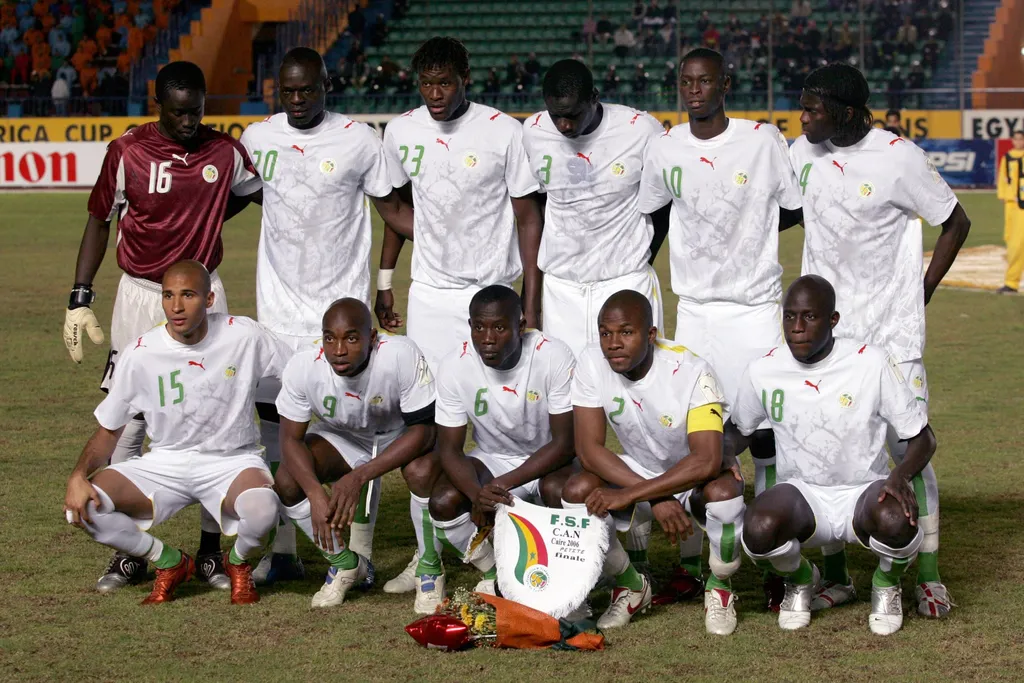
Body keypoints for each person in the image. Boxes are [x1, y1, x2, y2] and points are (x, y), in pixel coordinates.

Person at [63, 61, 262, 594]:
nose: (190, 122)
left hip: (205, 290)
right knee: (128, 422)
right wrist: (79, 295)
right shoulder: (127, 151)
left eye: (196, 111)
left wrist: (209, 212)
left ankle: (212, 554)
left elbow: (251, 192)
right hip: (141, 293)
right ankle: (131, 554)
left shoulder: (226, 151)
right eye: (178, 114)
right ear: (158, 106)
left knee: (217, 414)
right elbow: (98, 220)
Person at [790, 62, 970, 618]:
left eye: (813, 110)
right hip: (828, 334)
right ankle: (839, 574)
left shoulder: (899, 157)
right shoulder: (803, 154)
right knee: (831, 449)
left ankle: (930, 575)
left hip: (890, 332)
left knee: (907, 451)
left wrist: (923, 290)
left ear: (845, 112)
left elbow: (956, 221)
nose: (803, 119)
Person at [239, 47, 418, 588]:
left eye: (307, 91)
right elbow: (241, 196)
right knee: (276, 428)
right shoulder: (258, 139)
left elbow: (396, 209)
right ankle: (287, 549)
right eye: (287, 92)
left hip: (341, 312)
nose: (296, 102)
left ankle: (360, 554)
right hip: (277, 310)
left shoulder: (361, 139)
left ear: (326, 86)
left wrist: (386, 285)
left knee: (361, 428)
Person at [638, 48, 801, 606]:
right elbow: (655, 216)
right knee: (700, 434)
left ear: (725, 84)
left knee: (764, 432)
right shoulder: (665, 149)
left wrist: (746, 237)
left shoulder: (762, 142)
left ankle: (779, 557)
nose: (695, 90)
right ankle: (698, 565)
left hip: (754, 308)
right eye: (686, 81)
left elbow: (794, 208)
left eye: (705, 81)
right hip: (697, 312)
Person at [63, 261, 289, 605]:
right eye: (168, 296)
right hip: (165, 464)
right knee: (83, 508)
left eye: (188, 295)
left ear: (210, 299)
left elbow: (299, 372)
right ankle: (170, 562)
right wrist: (78, 475)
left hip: (231, 461)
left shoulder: (244, 335)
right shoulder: (140, 352)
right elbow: (110, 429)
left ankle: (237, 562)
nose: (177, 307)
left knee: (263, 510)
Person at [735, 276, 936, 635]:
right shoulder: (763, 368)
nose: (796, 328)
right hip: (804, 493)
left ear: (833, 320)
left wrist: (899, 475)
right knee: (758, 528)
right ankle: (800, 580)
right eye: (789, 317)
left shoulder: (870, 362)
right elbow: (739, 431)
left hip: (864, 490)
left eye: (809, 317)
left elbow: (923, 438)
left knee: (897, 520)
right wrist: (712, 459)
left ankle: (885, 585)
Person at [561, 291, 745, 635]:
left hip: (692, 477)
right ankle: (632, 585)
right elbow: (588, 450)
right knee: (578, 490)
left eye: (626, 332)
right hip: (641, 473)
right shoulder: (590, 362)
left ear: (650, 334)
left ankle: (720, 588)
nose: (613, 343)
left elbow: (707, 460)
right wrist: (654, 497)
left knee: (725, 491)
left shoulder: (691, 371)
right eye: (605, 333)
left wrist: (637, 494)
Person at [376, 37, 542, 371]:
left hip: (491, 292)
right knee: (430, 406)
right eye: (426, 83)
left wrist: (531, 302)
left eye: (444, 84)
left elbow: (528, 220)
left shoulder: (504, 131)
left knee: (496, 407)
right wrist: (384, 282)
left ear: (465, 78)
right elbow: (398, 209)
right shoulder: (400, 131)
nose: (435, 95)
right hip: (429, 295)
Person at [273, 299, 439, 610]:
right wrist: (315, 495)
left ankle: (429, 567)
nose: (338, 350)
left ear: (372, 338)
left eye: (351, 338)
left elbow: (426, 432)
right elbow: (290, 440)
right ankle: (346, 563)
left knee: (422, 471)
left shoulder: (400, 353)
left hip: (400, 433)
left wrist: (358, 476)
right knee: (287, 480)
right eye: (329, 338)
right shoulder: (304, 364)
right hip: (344, 436)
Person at [426, 286, 577, 613]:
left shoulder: (553, 355)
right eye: (479, 327)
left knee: (564, 491)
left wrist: (500, 486)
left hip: (549, 460)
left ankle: (580, 578)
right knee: (442, 500)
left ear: (521, 325)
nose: (488, 338)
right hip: (492, 460)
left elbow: (566, 443)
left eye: (499, 327)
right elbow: (450, 450)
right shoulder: (454, 365)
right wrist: (477, 494)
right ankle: (497, 575)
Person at [522, 58, 667, 359]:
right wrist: (530, 300)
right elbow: (535, 206)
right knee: (568, 392)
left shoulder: (640, 130)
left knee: (637, 390)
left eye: (572, 115)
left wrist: (641, 255)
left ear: (594, 97)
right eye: (555, 116)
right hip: (562, 289)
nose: (563, 125)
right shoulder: (533, 132)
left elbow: (662, 205)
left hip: (625, 281)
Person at [997, 130, 1024, 294]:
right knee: (1015, 245)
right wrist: (1009, 196)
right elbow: (1003, 183)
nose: (1019, 142)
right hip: (1014, 208)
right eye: (1016, 139)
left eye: (1021, 139)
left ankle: (1012, 282)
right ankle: (1011, 282)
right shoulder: (1007, 158)